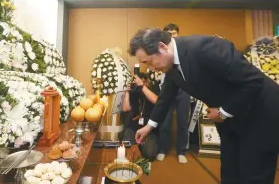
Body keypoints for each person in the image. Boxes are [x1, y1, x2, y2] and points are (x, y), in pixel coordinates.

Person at [128, 27, 279, 184]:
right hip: (231, 120)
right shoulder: (171, 65)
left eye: (149, 62)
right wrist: (149, 127)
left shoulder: (205, 47)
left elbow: (253, 81)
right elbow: (165, 98)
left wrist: (223, 112)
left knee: (253, 174)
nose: (152, 68)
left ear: (162, 47)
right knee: (229, 171)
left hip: (261, 114)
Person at [156, 23, 190, 163]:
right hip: (167, 88)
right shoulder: (160, 50)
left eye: (174, 33)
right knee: (165, 121)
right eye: (168, 33)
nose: (171, 35)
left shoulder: (184, 50)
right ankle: (162, 149)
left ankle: (181, 151)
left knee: (183, 121)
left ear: (178, 34)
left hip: (184, 89)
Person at [120, 73, 160, 161]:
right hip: (133, 127)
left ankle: (142, 145)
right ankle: (138, 145)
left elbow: (156, 100)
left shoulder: (151, 92)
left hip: (147, 129)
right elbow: (126, 109)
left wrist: (142, 86)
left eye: (144, 82)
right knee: (127, 151)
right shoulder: (134, 93)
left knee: (150, 154)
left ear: (147, 82)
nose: (140, 84)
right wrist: (127, 92)